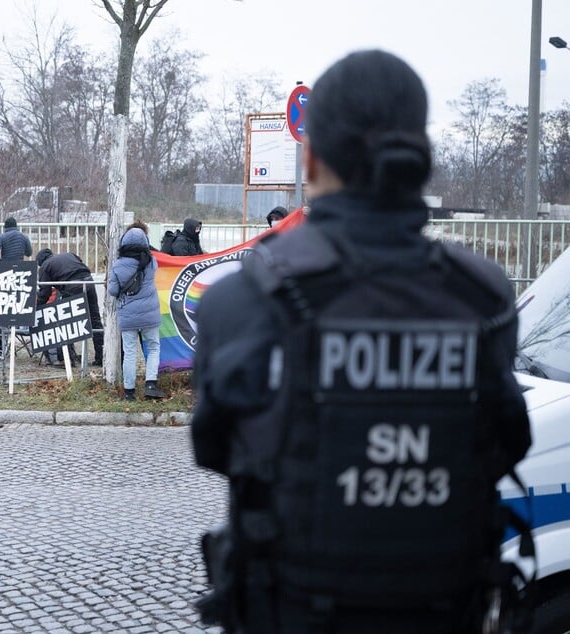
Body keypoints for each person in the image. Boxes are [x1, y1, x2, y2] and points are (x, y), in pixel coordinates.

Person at [191, 50, 532, 633]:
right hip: (444, 612)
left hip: (294, 611)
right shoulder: (486, 297)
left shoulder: (241, 300)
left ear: (313, 156)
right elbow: (505, 442)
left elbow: (215, 450)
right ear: (419, 158)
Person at [107, 224, 167, 401]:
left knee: (130, 352)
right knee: (154, 347)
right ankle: (150, 384)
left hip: (128, 315)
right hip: (150, 313)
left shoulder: (117, 265)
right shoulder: (151, 262)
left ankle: (129, 392)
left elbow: (112, 290)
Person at [36, 248, 104, 366]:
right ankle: (101, 356)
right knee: (95, 319)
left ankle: (67, 359)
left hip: (72, 285)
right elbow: (79, 263)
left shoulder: (45, 267)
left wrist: (37, 308)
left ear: (40, 262)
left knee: (68, 322)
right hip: (89, 281)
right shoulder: (68, 254)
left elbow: (45, 293)